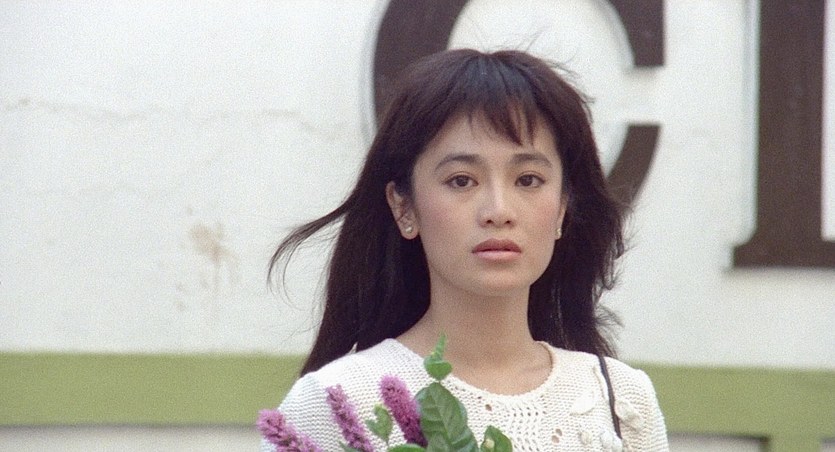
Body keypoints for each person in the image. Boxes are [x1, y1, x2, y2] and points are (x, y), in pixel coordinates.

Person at [262, 48, 668, 451]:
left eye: (528, 180)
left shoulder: (624, 403)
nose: (498, 211)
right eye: (461, 180)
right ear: (404, 206)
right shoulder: (334, 404)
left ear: (562, 207)